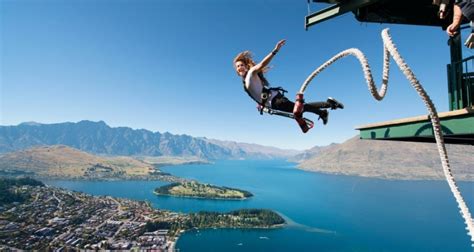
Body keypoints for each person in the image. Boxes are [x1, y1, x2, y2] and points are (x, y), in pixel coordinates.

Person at [233, 39, 344, 126]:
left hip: (276, 101)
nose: (240, 68)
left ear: (246, 67)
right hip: (273, 103)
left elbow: (262, 64)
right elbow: (257, 92)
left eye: (241, 65)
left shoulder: (251, 72)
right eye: (237, 66)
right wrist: (261, 104)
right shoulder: (245, 82)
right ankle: (323, 111)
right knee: (300, 109)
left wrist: (274, 51)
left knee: (300, 109)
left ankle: (328, 105)